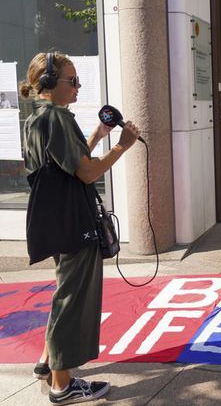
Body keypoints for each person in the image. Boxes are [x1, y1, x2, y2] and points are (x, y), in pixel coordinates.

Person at [20, 52, 141, 404]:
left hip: (55, 219)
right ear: (48, 84)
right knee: (71, 300)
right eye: (71, 81)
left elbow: (68, 166)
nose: (78, 86)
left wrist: (96, 135)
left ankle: (47, 362)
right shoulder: (57, 117)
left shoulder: (37, 118)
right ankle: (62, 385)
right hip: (73, 221)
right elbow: (86, 173)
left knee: (65, 292)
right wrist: (122, 145)